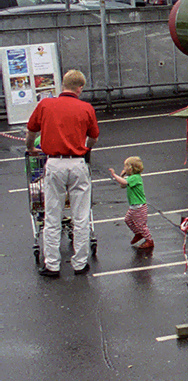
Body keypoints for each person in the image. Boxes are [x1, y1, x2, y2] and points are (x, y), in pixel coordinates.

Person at [26, 69, 99, 277]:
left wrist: (31, 148)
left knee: (52, 215)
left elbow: (31, 130)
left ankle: (52, 264)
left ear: (62, 85)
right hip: (77, 163)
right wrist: (85, 147)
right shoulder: (86, 108)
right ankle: (80, 263)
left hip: (54, 163)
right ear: (80, 88)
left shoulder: (46, 104)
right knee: (81, 216)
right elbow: (94, 137)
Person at [109, 156, 153, 252]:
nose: (124, 168)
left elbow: (124, 182)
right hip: (133, 206)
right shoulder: (131, 178)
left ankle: (149, 240)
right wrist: (121, 176)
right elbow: (122, 185)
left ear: (131, 168)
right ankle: (138, 233)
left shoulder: (135, 178)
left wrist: (115, 175)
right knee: (127, 220)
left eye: (125, 166)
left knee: (141, 225)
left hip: (139, 206)